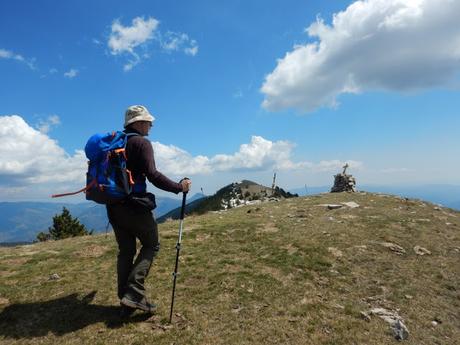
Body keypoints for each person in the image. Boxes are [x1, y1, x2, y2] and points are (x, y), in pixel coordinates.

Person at [106, 105, 191, 316]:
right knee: (152, 244)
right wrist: (179, 187)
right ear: (138, 123)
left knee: (126, 251)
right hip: (135, 205)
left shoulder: (114, 144)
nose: (151, 125)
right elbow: (152, 174)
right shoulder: (141, 143)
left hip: (113, 206)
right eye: (148, 121)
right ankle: (133, 295)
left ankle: (125, 298)